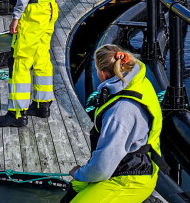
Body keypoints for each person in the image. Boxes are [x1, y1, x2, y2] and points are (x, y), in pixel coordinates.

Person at [67, 44, 163, 202]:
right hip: (136, 165)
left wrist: (79, 172)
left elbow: (103, 167)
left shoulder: (120, 111)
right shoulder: (138, 82)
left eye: (97, 70)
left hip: (130, 179)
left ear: (103, 74)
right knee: (76, 187)